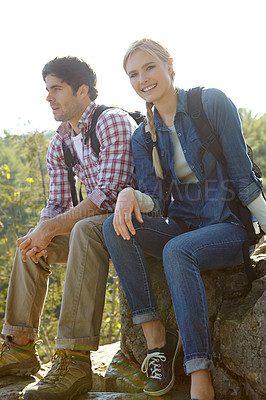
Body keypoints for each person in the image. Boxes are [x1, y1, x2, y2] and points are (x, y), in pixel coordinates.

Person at [103, 39, 266, 400]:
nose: (142, 79)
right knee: (113, 229)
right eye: (133, 74)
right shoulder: (142, 136)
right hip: (183, 224)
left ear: (169, 65)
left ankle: (199, 373)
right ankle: (156, 344)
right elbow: (158, 203)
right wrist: (129, 195)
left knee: (178, 251)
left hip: (227, 226)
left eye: (149, 67)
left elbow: (244, 179)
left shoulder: (210, 103)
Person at [0, 56, 137, 399]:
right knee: (32, 245)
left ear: (82, 90)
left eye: (56, 89)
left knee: (82, 229)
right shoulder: (61, 141)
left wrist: (50, 228)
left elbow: (108, 195)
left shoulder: (112, 121)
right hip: (94, 226)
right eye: (47, 90)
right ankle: (19, 347)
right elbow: (58, 205)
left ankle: (74, 361)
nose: (49, 97)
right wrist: (40, 233)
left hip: (134, 221)